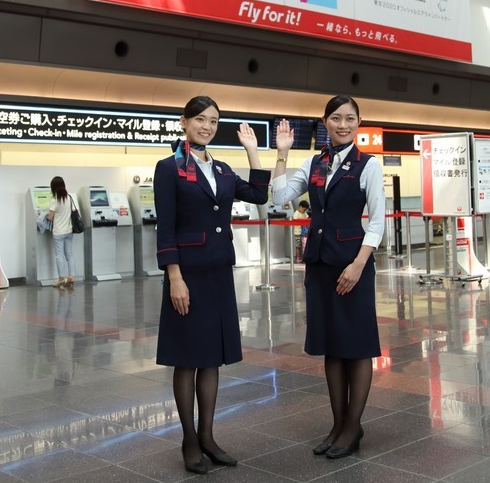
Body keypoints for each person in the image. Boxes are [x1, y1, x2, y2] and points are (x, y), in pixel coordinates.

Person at [154, 96, 270, 475]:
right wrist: (174, 277)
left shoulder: (220, 168)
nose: (206, 126)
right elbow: (166, 226)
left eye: (213, 121)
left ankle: (208, 435)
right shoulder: (168, 168)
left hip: (219, 272)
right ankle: (189, 439)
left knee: (212, 357)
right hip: (187, 275)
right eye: (200, 119)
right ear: (184, 122)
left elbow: (257, 195)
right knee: (188, 358)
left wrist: (253, 151)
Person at [271, 95, 385, 460]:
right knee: (332, 346)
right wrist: (282, 154)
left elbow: (378, 222)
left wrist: (358, 264)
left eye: (349, 119)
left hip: (352, 264)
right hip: (320, 264)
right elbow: (280, 197)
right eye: (335, 118)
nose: (342, 125)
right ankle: (338, 424)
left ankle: (353, 426)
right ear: (325, 121)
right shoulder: (315, 162)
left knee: (356, 344)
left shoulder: (368, 165)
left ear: (358, 122)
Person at [46, 176, 78, 288]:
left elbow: (50, 217)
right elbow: (73, 211)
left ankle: (61, 279)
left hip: (59, 232)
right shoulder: (69, 197)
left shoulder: (54, 200)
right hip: (69, 231)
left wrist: (45, 215)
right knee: (69, 255)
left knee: (59, 256)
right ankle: (71, 277)